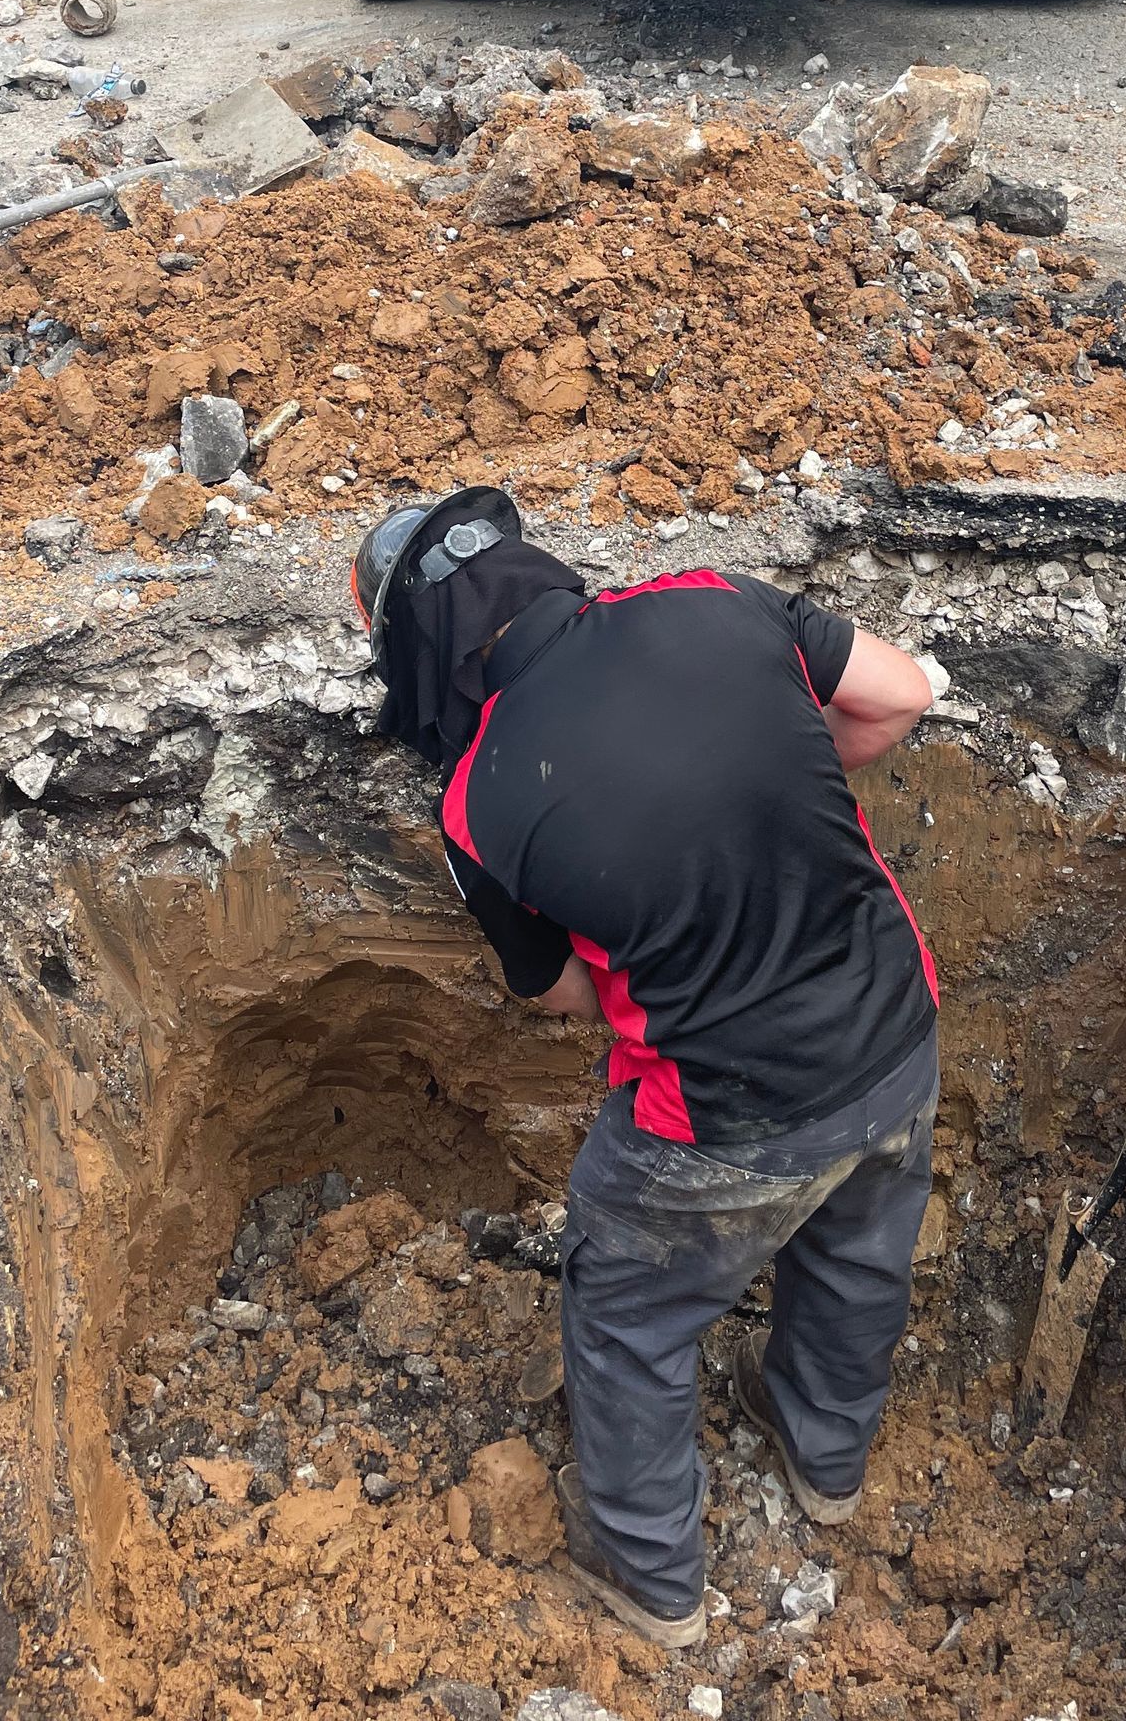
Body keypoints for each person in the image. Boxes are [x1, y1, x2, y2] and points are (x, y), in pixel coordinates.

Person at [354, 485, 940, 1648]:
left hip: (722, 1115)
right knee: (860, 1246)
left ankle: (651, 1576)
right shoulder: (708, 599)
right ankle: (824, 1458)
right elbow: (899, 697)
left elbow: (565, 990)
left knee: (627, 1307)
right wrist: (765, 800)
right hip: (895, 1033)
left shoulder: (477, 803)